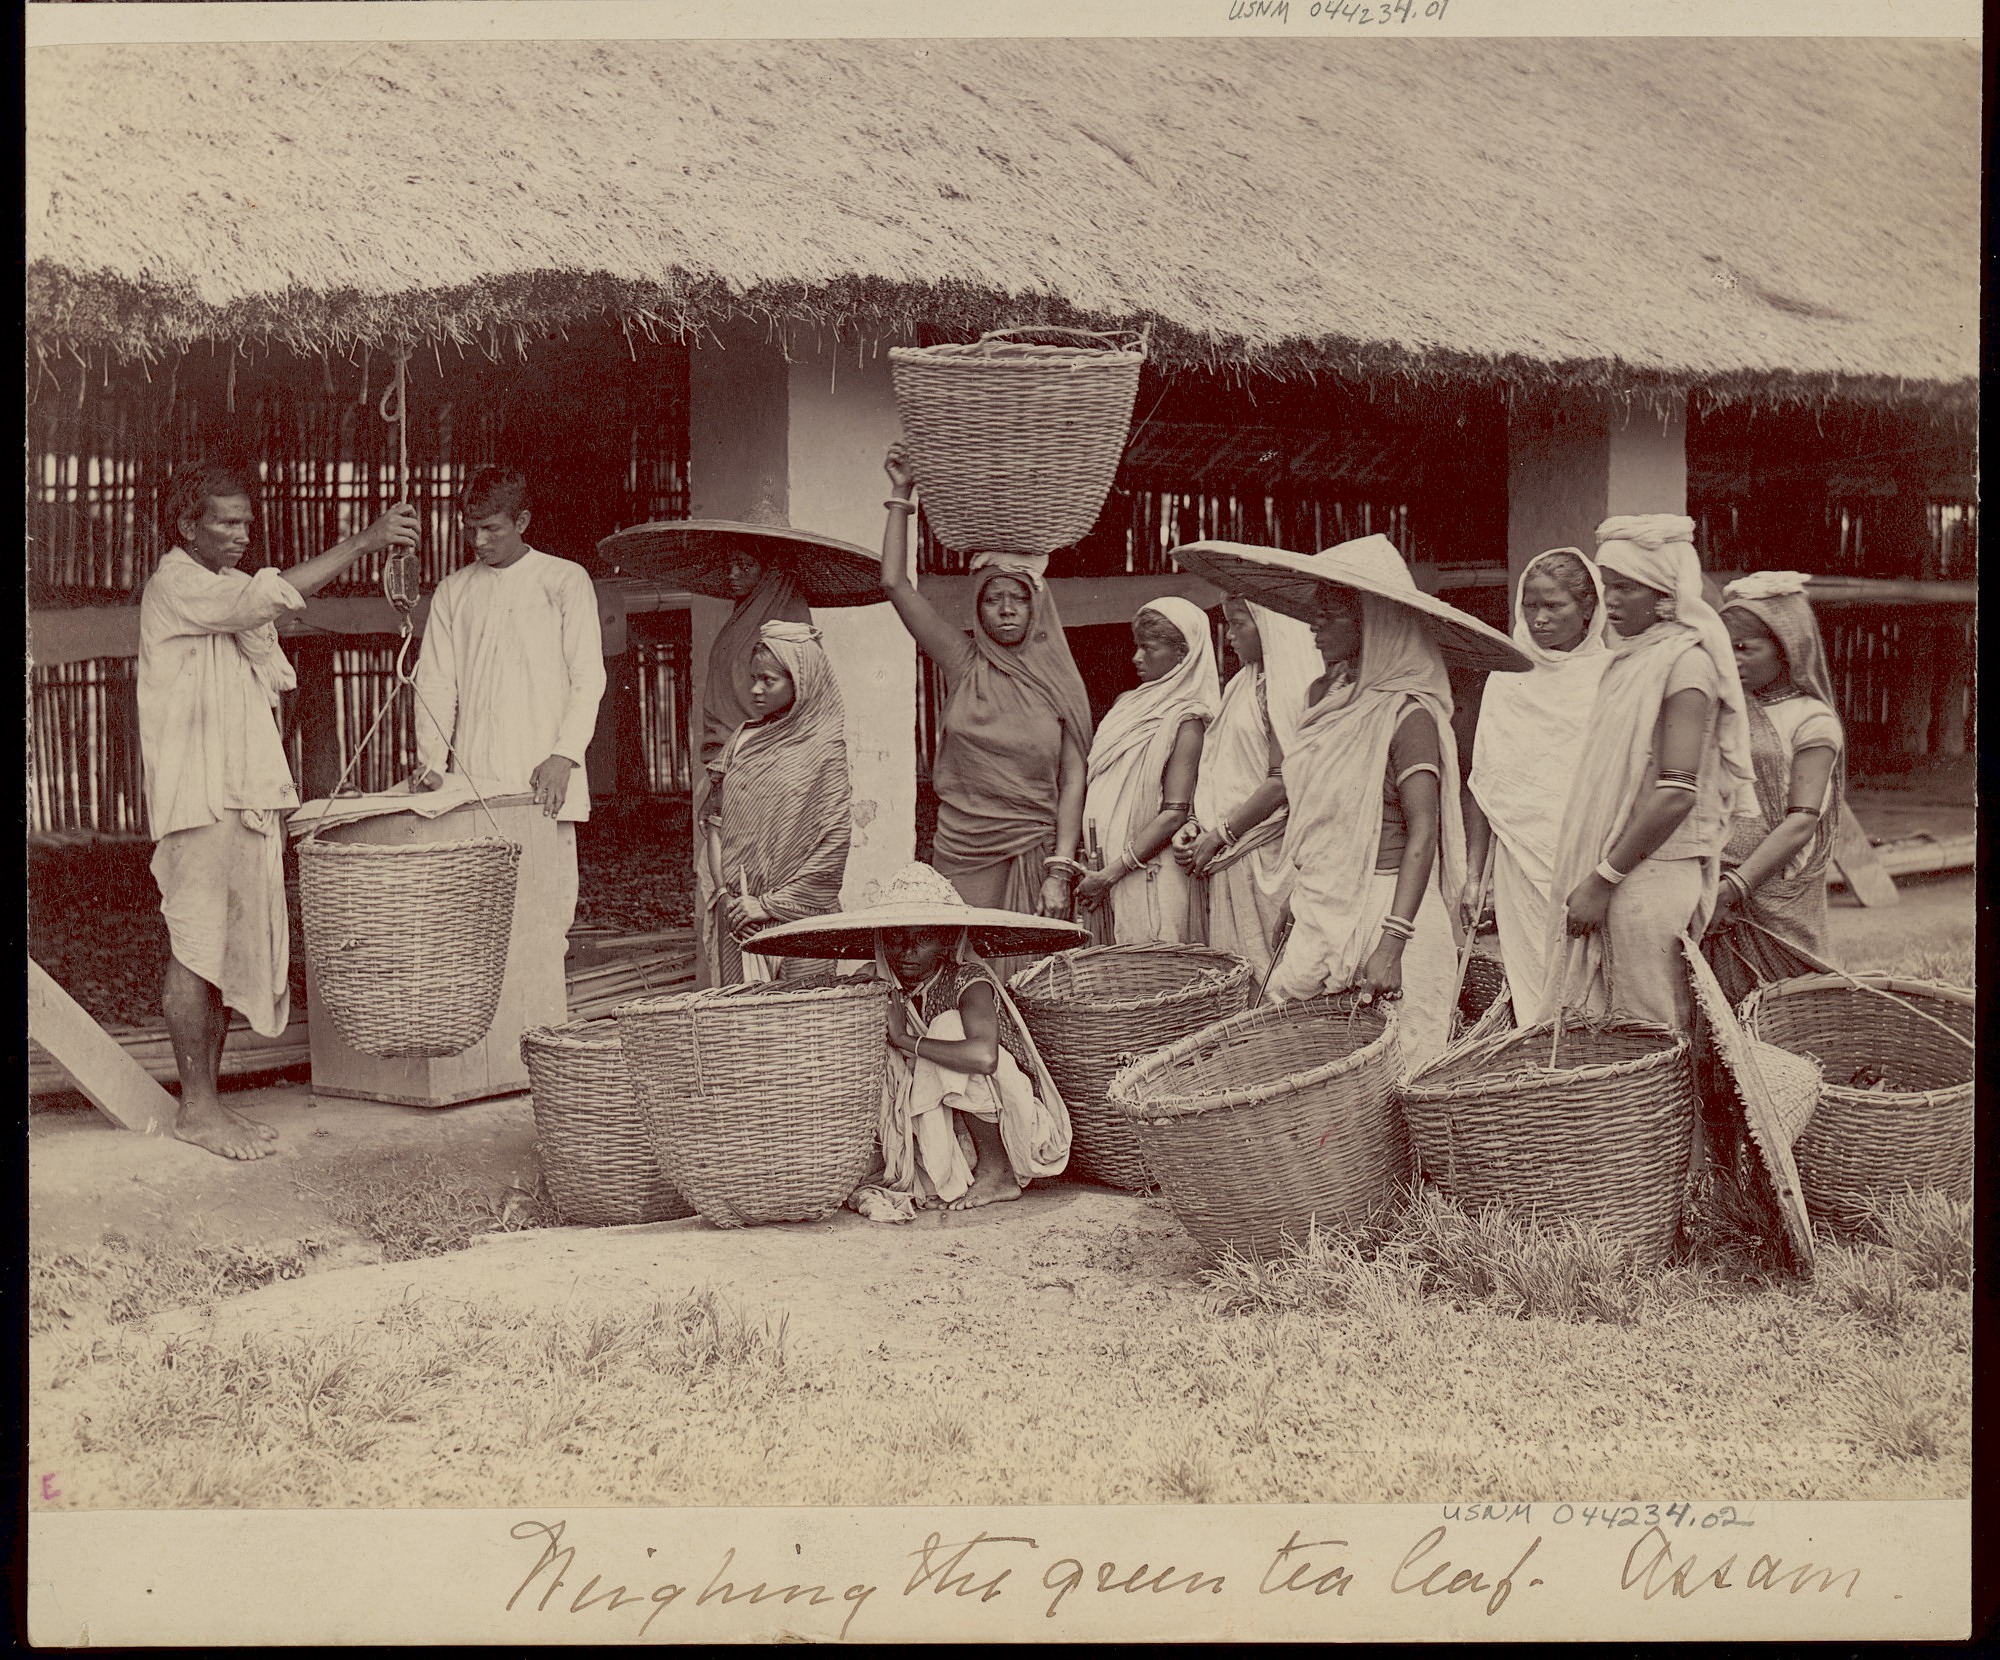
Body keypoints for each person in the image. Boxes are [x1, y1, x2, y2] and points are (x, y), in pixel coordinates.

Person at [137, 462, 419, 1159]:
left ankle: (211, 1105)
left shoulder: (227, 589)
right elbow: (273, 596)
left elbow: (264, 623)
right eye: (224, 523)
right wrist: (365, 541)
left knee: (227, 947)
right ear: (187, 527)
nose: (239, 535)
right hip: (197, 795)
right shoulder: (175, 585)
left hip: (242, 792)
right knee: (195, 943)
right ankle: (196, 1110)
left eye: (245, 523)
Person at [743, 863, 1086, 1216]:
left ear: (946, 941)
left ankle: (997, 1172)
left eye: (922, 938)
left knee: (948, 1028)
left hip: (1017, 1127)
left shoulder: (969, 981)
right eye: (895, 938)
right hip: (949, 1133)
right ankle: (949, 1171)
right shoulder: (883, 982)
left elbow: (984, 1057)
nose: (906, 950)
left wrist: (905, 1040)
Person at [1259, 540, 1474, 1072]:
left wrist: (1392, 943)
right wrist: (1300, 892)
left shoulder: (1408, 716)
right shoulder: (1323, 700)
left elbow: (1424, 834)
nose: (1314, 628)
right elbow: (1317, 813)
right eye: (1315, 615)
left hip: (1390, 906)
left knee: (1407, 1067)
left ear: (1372, 626)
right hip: (1323, 902)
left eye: (1329, 616)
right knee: (1302, 1063)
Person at [1540, 514, 1752, 1033]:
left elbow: (1677, 792)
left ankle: (1665, 1117)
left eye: (1625, 588)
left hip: (1649, 871)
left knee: (1647, 1030)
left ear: (1664, 594)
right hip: (1622, 865)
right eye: (1607, 586)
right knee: (1603, 1028)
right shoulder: (1631, 660)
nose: (1610, 601)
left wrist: (1603, 879)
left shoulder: (1686, 666)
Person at [879, 445, 1094, 946]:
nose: (1006, 610)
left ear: (1036, 607)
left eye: (1018, 598)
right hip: (962, 846)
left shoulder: (1059, 681)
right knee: (962, 965)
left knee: (1032, 979)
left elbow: (1072, 777)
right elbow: (894, 584)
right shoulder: (963, 661)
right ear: (978, 608)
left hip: (1038, 853)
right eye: (992, 599)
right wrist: (900, 491)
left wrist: (1060, 870)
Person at [407, 466, 607, 946]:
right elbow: (434, 682)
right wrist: (432, 762)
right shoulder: (455, 591)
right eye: (470, 527)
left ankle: (541, 1014)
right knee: (475, 912)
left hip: (544, 771)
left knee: (546, 908)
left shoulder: (563, 580)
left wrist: (565, 755)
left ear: (522, 520)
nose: (478, 540)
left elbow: (588, 677)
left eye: (491, 528)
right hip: (472, 773)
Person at [1461, 548, 1612, 1021]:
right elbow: (1486, 782)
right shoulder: (1508, 677)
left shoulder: (1612, 677)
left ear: (1588, 609)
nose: (1540, 618)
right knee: (1533, 982)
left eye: (1554, 606)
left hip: (1592, 858)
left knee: (1595, 988)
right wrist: (1472, 874)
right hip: (1519, 857)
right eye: (1530, 606)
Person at [1702, 571, 1846, 1003]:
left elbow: (1802, 822)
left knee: (1783, 1006)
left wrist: (1733, 888)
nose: (1732, 660)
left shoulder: (1810, 720)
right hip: (1712, 870)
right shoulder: (1724, 710)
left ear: (1787, 648)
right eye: (1725, 648)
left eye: (1745, 648)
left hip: (1771, 883)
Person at [1173, 596, 1318, 978]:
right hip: (1232, 850)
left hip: (1265, 852)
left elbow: (1279, 780)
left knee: (1275, 977)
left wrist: (1220, 834)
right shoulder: (1242, 683)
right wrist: (1196, 822)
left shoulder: (1284, 688)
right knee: (1242, 976)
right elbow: (1221, 769)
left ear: (1270, 627)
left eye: (1238, 624)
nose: (1230, 636)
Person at [701, 620, 852, 984]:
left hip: (802, 920)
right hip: (739, 916)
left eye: (769, 680)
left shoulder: (825, 752)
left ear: (801, 682)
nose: (755, 690)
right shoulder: (742, 741)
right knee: (744, 1025)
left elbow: (834, 845)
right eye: (754, 677)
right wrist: (725, 896)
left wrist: (767, 905)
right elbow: (715, 824)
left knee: (803, 1024)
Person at [1074, 598, 1219, 944]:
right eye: (1136, 646)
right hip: (1104, 868)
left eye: (1148, 648)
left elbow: (1173, 814)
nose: (1136, 658)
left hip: (1149, 873)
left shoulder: (1189, 720)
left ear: (1183, 654)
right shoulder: (1127, 704)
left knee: (1150, 974)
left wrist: (1111, 873)